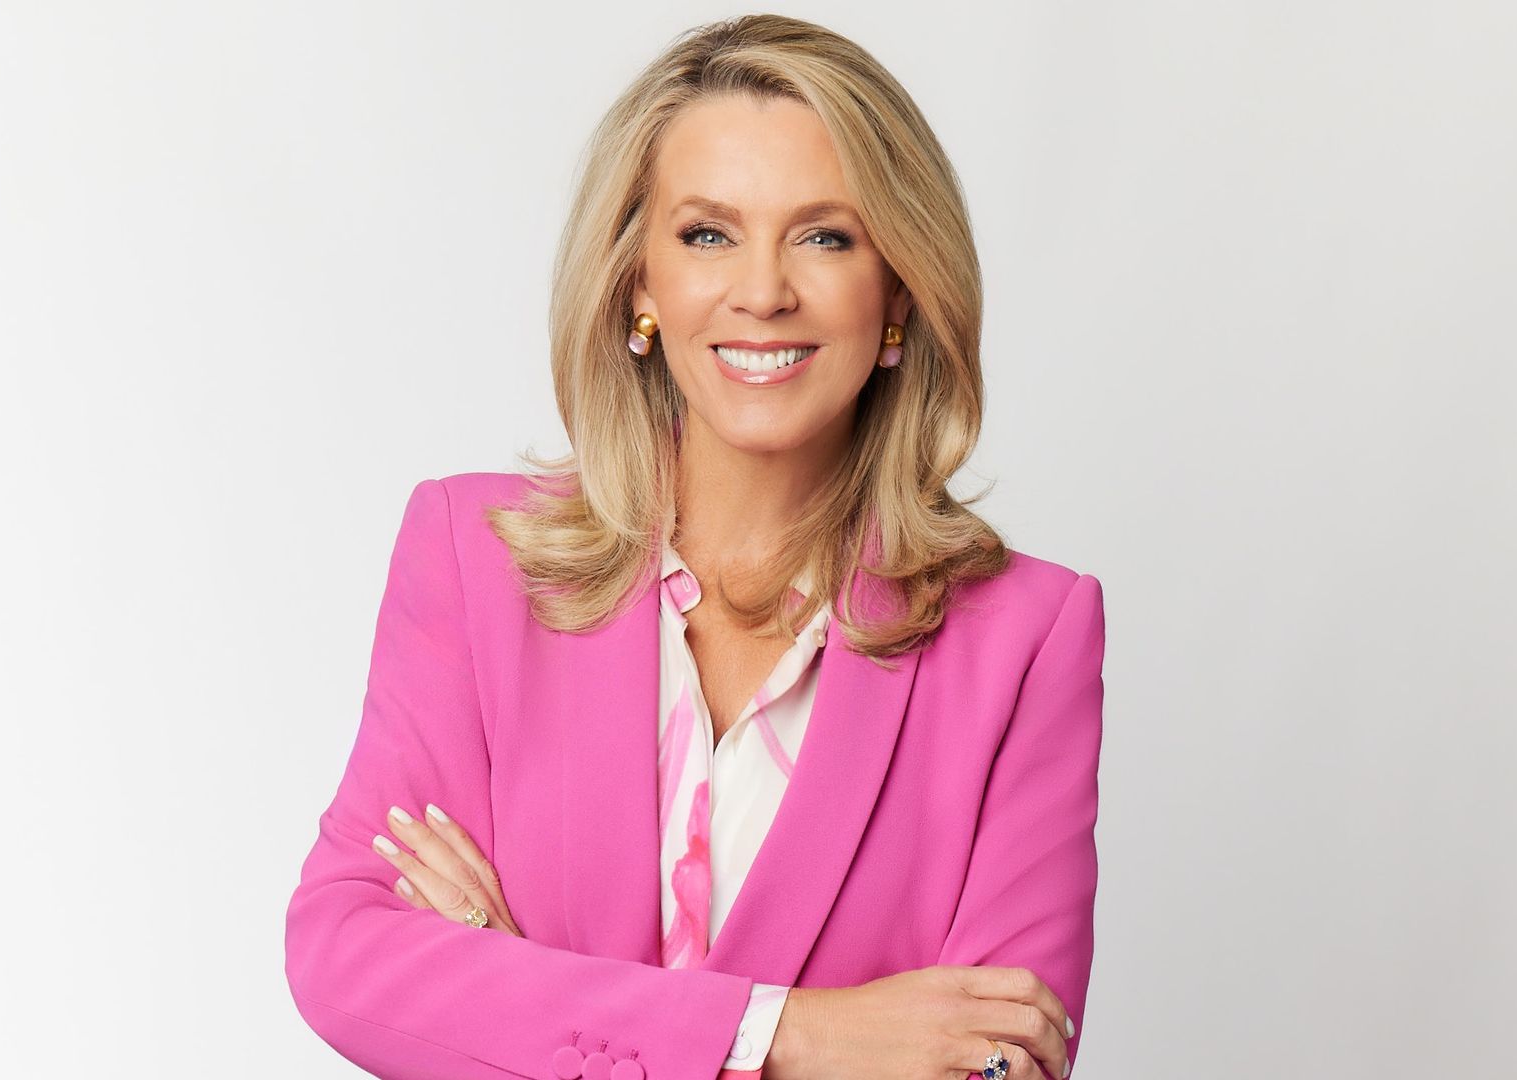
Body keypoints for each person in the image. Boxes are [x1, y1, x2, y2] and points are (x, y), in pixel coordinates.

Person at [283, 14, 1106, 1080]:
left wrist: (509, 987)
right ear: (639, 283)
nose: (762, 290)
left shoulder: (1027, 641)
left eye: (826, 236)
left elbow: (995, 1061)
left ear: (898, 289)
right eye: (708, 234)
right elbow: (348, 957)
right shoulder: (475, 558)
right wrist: (792, 1035)